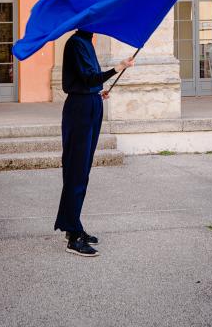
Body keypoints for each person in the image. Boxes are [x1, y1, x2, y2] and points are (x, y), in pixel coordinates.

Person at [54, 29, 135, 257]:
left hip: (90, 104)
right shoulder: (76, 43)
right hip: (80, 109)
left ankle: (73, 226)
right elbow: (88, 78)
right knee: (76, 171)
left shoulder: (86, 42)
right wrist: (118, 68)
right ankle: (73, 235)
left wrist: (97, 91)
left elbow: (88, 80)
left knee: (82, 172)